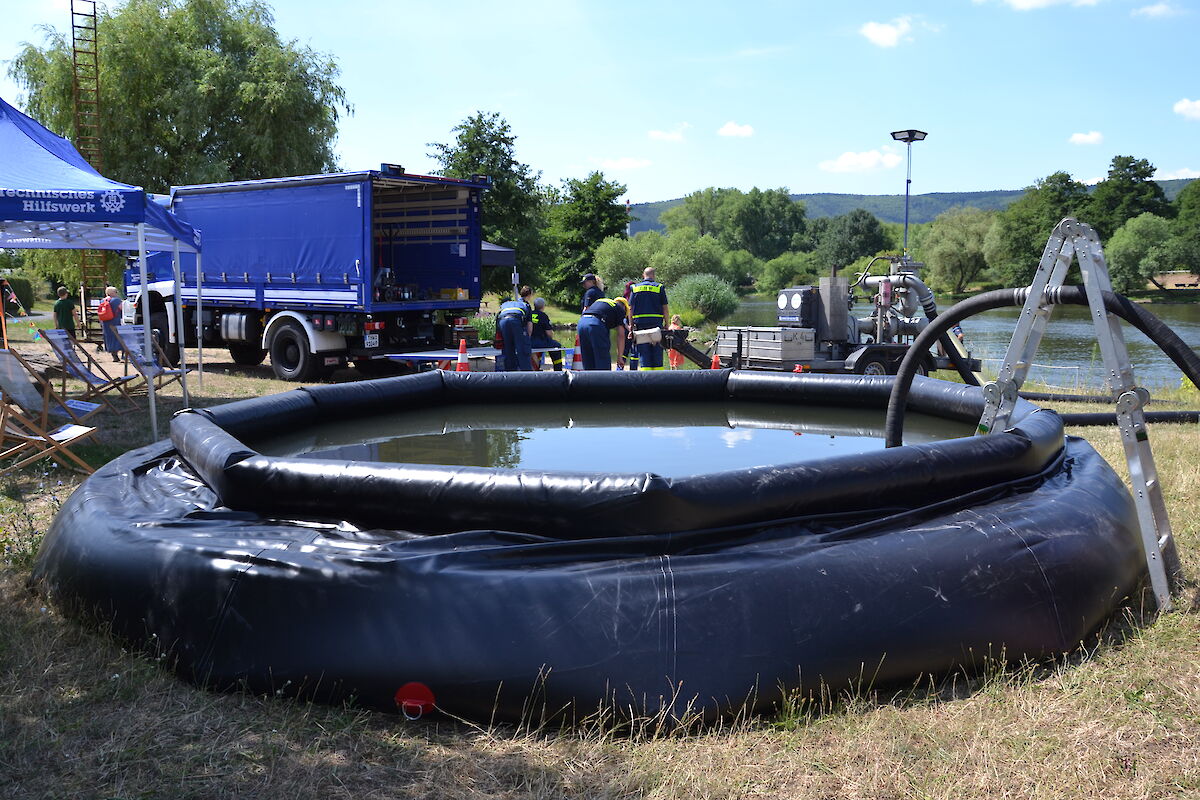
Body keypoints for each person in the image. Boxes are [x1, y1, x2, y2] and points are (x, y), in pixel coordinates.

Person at [628, 267, 669, 371]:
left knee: (644, 353)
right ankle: (658, 378)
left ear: (643, 275)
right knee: (657, 353)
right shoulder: (659, 287)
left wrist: (630, 326)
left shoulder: (635, 288)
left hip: (640, 325)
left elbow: (630, 308)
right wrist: (667, 324)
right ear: (653, 276)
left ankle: (646, 378)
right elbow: (665, 308)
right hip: (656, 325)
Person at [577, 296, 629, 371]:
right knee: (603, 362)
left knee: (588, 360)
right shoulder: (620, 310)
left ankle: (589, 378)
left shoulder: (604, 302)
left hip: (582, 323)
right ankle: (604, 378)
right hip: (595, 324)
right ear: (624, 307)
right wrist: (619, 357)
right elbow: (621, 335)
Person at [496, 293, 533, 371]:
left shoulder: (505, 305)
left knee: (508, 349)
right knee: (522, 349)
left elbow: (497, 320)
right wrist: (527, 339)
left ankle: (510, 373)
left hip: (503, 321)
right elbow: (529, 326)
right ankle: (526, 373)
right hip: (516, 320)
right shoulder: (526, 305)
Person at [529, 297, 563, 371]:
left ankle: (537, 367)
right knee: (556, 346)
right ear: (543, 306)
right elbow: (549, 333)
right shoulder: (543, 316)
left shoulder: (529, 314)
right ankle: (558, 369)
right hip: (540, 340)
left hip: (529, 341)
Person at [99, 286, 124, 362]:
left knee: (109, 337)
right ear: (112, 293)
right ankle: (122, 355)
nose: (117, 293)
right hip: (115, 321)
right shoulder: (116, 300)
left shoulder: (103, 300)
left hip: (105, 322)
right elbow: (122, 308)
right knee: (118, 337)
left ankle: (113, 354)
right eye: (116, 292)